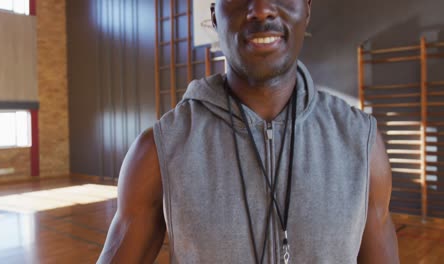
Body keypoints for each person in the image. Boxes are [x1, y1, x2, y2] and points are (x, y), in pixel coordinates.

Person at [97, 0, 400, 263]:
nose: (261, 9)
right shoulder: (159, 149)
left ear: (306, 7)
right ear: (215, 17)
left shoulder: (361, 144)